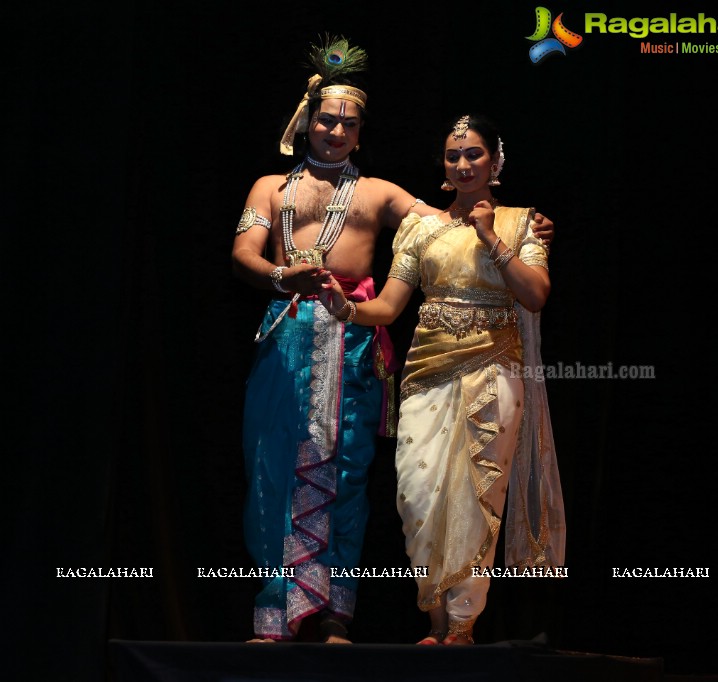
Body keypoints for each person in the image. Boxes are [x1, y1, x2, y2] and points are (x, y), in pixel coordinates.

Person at [231, 38, 555, 644]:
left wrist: (520, 223)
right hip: (286, 330)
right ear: (305, 123)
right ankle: (275, 613)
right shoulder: (268, 189)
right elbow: (242, 257)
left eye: (349, 124)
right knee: (272, 466)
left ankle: (336, 615)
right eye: (326, 119)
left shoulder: (379, 193)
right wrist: (284, 276)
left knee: (350, 474)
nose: (336, 130)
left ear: (360, 133)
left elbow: (442, 221)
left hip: (355, 342)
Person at [318, 113, 567, 646]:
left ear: (494, 161)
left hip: (493, 371)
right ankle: (435, 618)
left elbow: (536, 295)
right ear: (443, 166)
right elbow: (386, 307)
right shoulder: (420, 228)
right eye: (453, 156)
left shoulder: (523, 222)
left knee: (478, 496)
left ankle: (460, 625)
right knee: (418, 496)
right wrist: (344, 309)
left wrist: (489, 236)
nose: (462, 164)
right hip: (426, 376)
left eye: (473, 153)